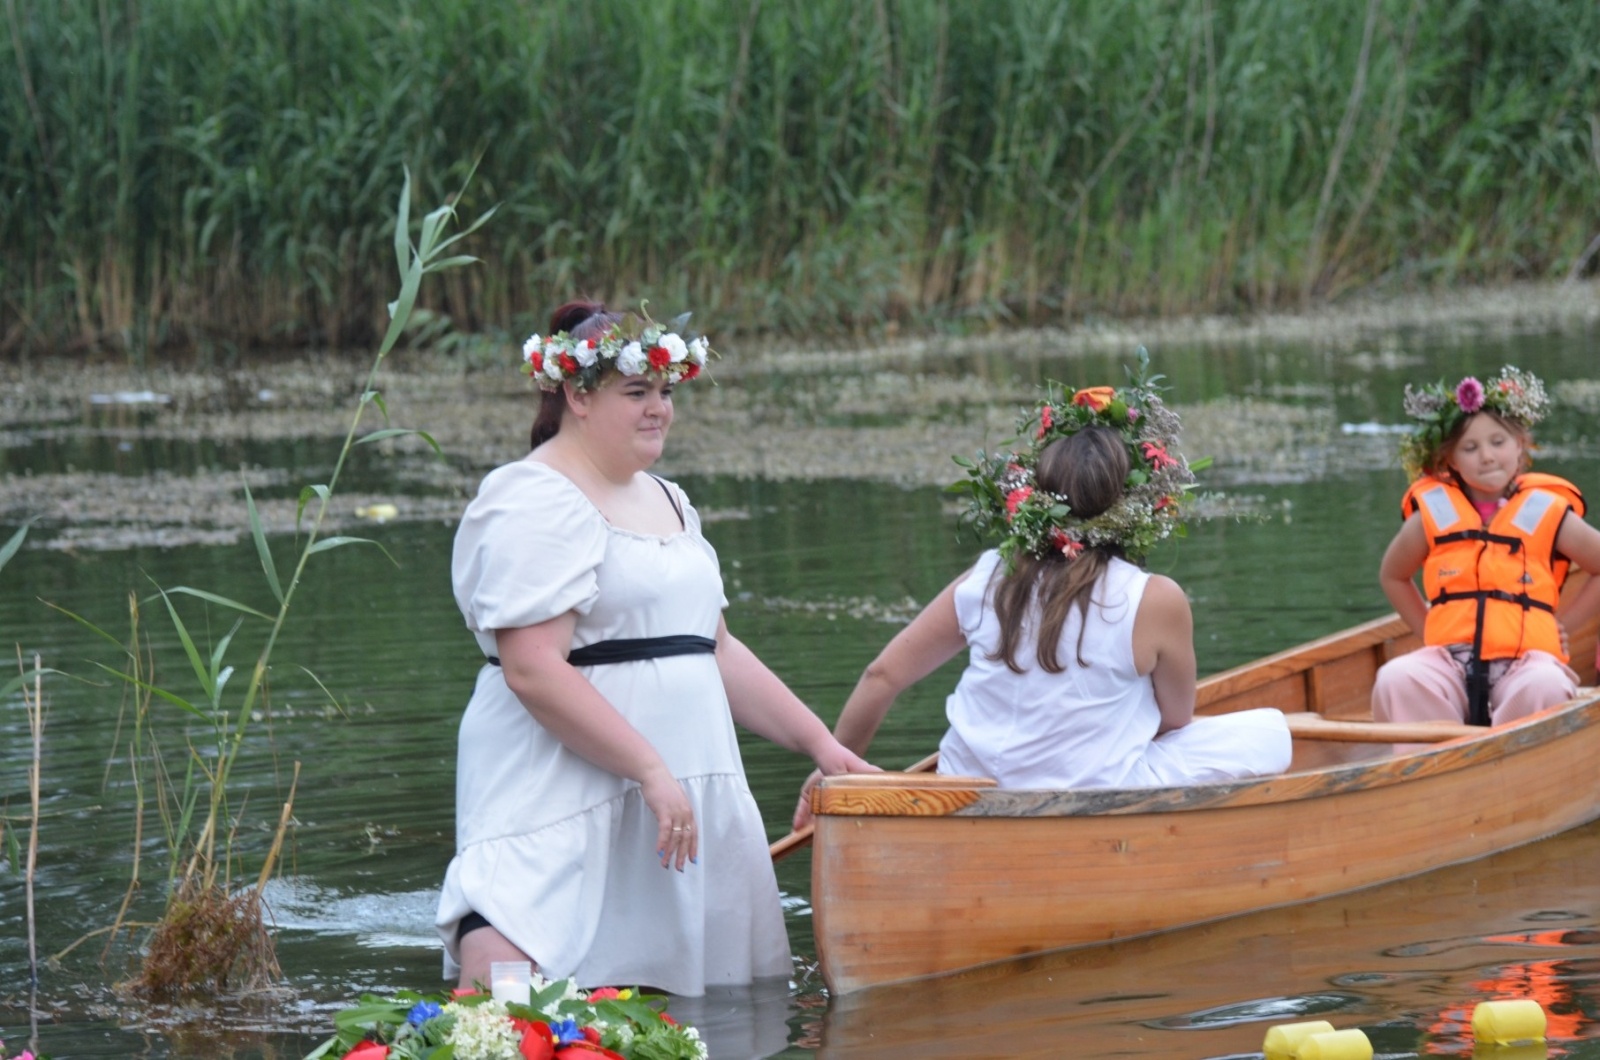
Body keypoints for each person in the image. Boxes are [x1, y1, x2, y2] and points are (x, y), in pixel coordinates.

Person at [436, 301, 874, 998]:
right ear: (577, 395)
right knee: (513, 988)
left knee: (691, 1005)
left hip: (678, 785)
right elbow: (532, 667)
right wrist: (648, 767)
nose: (659, 410)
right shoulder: (533, 497)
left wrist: (823, 746)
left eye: (665, 392)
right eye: (637, 392)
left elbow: (715, 649)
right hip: (561, 789)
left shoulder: (670, 499)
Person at [794, 369, 1291, 827]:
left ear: (1038, 494)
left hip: (963, 792)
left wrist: (833, 773)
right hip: (1091, 797)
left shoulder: (990, 574)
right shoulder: (1155, 598)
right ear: (1132, 504)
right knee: (1272, 733)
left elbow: (881, 676)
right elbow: (1175, 720)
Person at [1372, 366, 1600, 727]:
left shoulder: (1547, 511)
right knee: (1395, 678)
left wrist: (1564, 626)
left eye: (1498, 442)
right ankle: (1442, 751)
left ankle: (1515, 751)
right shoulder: (1434, 513)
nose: (1487, 456)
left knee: (1547, 684)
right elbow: (1393, 575)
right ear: (1450, 459)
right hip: (1450, 660)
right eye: (1470, 448)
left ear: (1520, 445)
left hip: (1525, 662)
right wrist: (1428, 629)